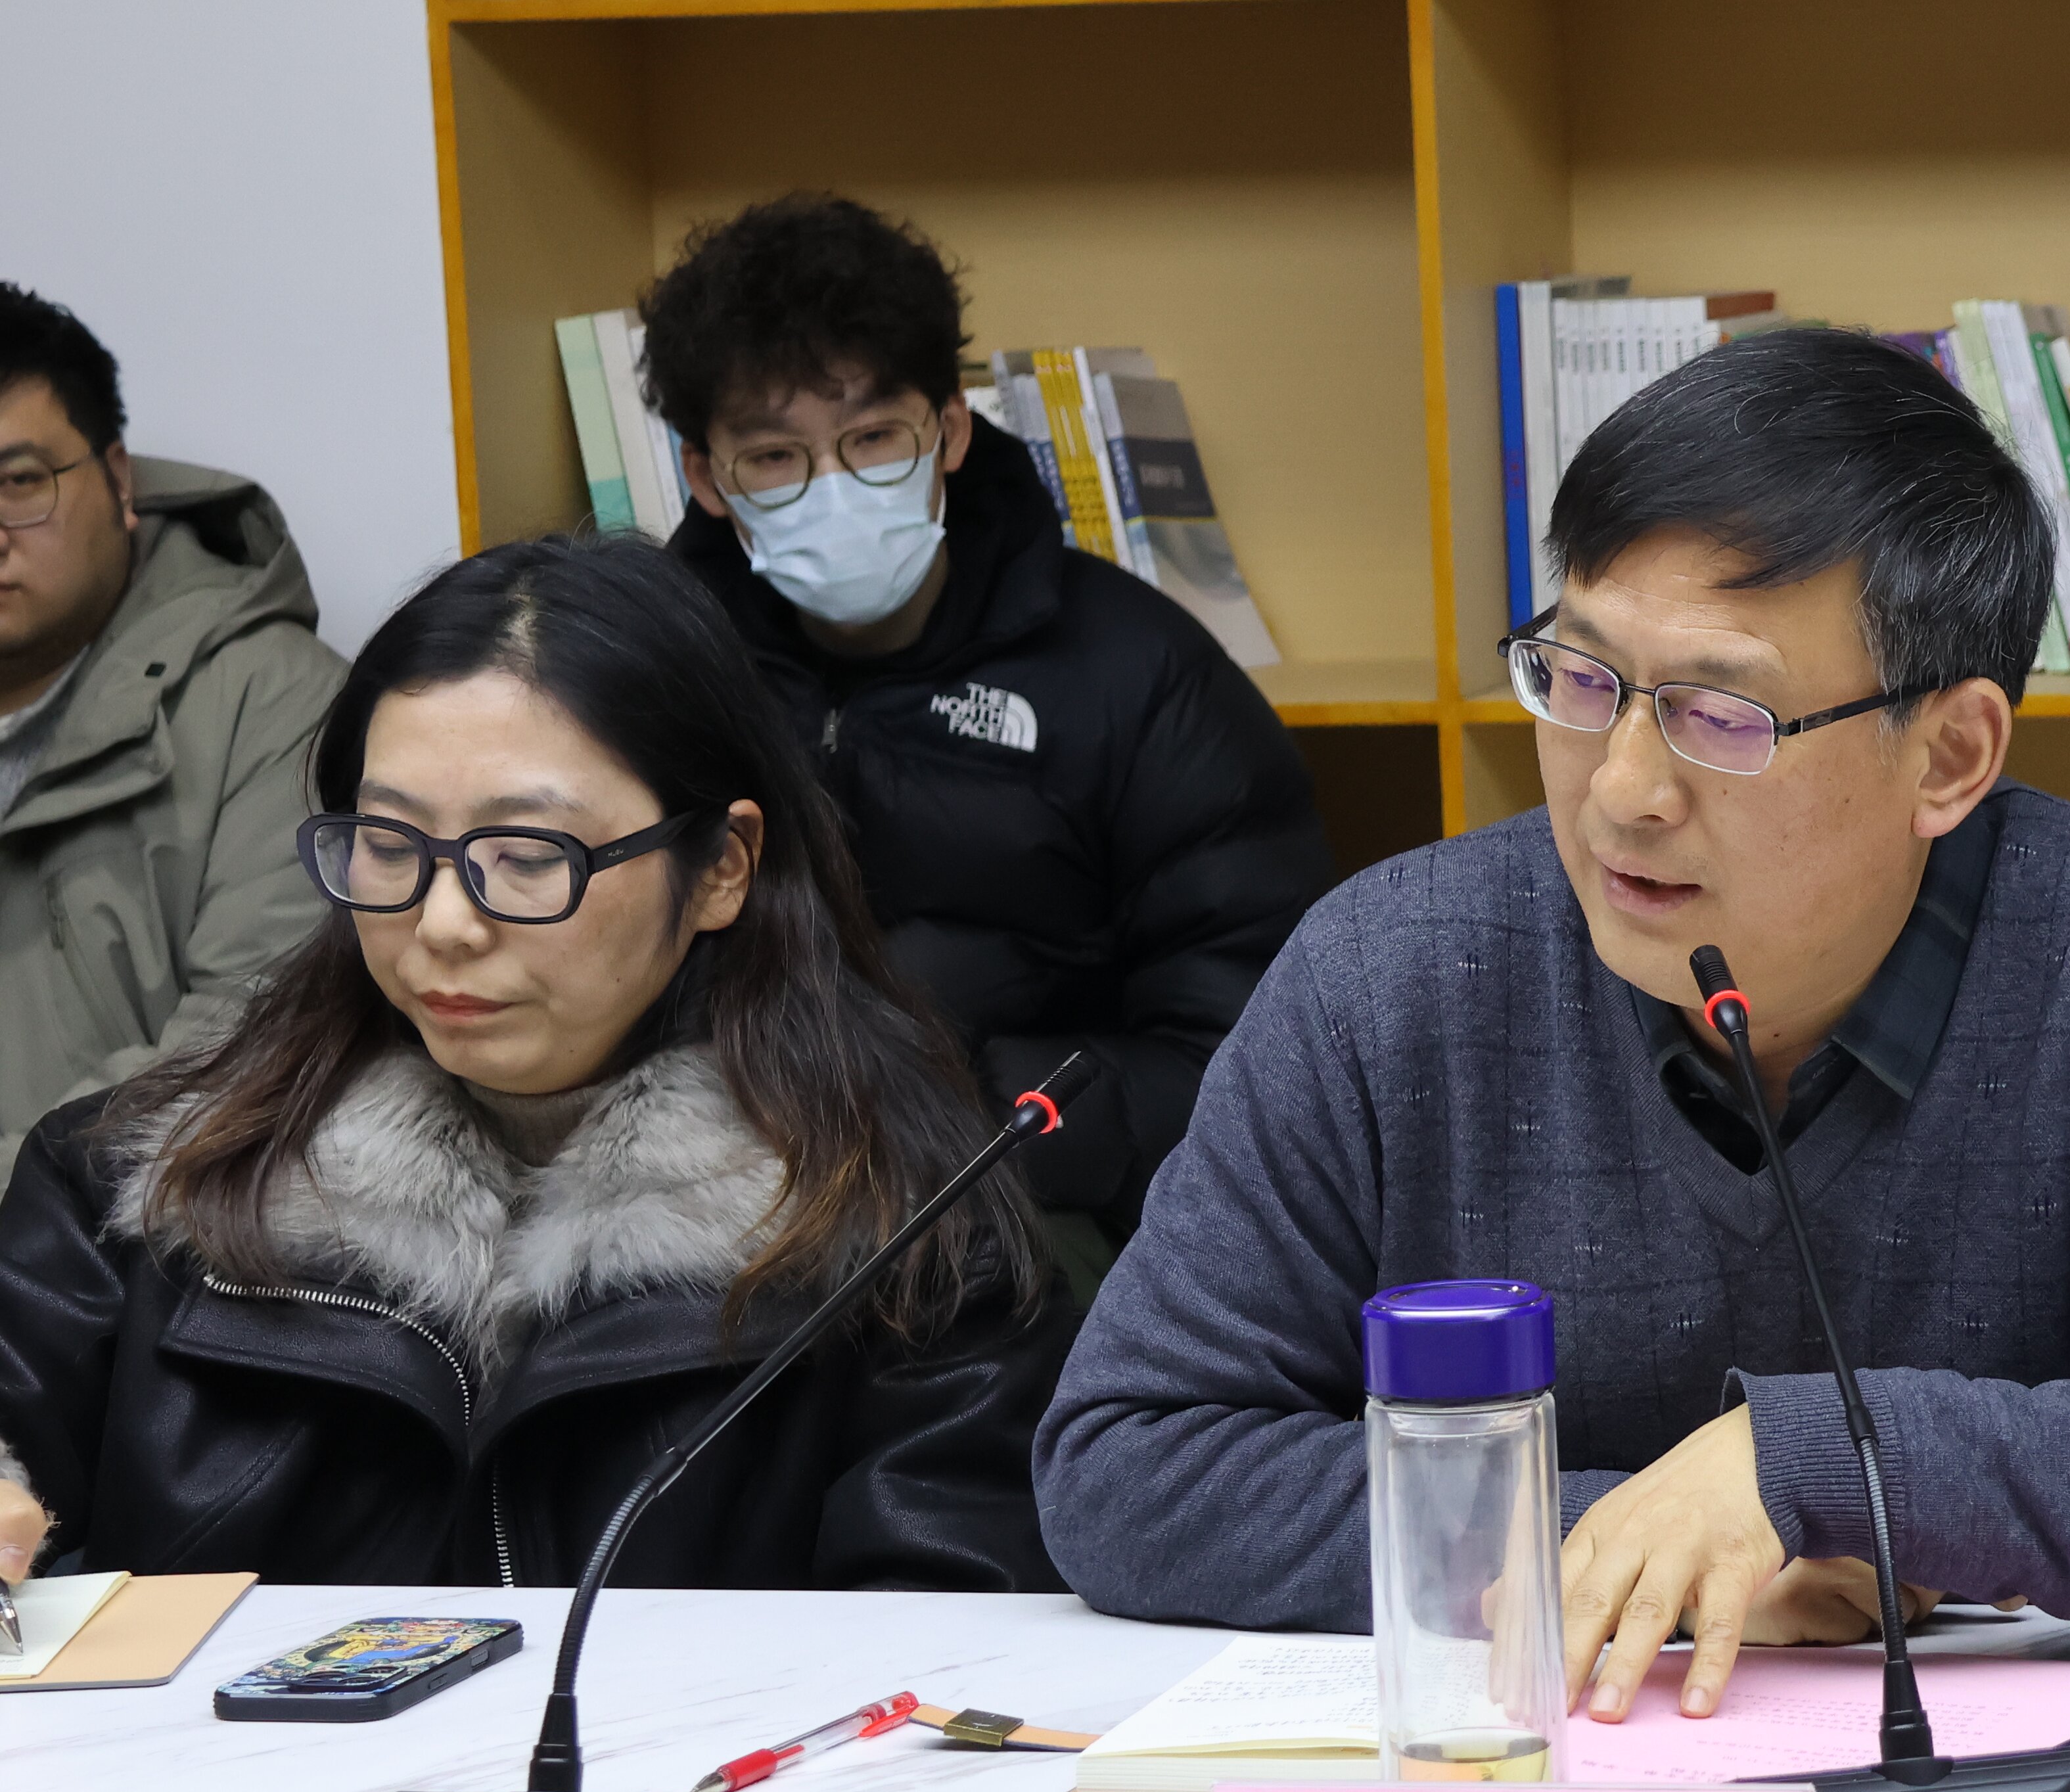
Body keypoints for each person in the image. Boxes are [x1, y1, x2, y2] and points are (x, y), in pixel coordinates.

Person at [1038, 323, 2070, 1711]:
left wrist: (1818, 1464)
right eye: (1580, 679)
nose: (1621, 788)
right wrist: (1647, 1551)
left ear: (1949, 756)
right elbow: (1128, 1458)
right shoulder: (1389, 974)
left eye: (1720, 714)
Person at [0, 536, 1070, 1592]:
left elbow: (945, 1655)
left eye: (525, 856)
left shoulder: (914, 1235)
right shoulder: (128, 1185)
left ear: (721, 867)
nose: (444, 923)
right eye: (391, 846)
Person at [634, 193, 1333, 1279]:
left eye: (875, 438)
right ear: (705, 478)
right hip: (700, 1210)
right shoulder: (648, 682)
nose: (834, 489)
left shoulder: (1140, 673)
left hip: (1034, 1207)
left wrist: (1013, 1121)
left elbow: (1258, 1045)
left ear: (950, 431)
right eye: (773, 456)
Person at [0, 281, 343, 1149]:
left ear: (118, 479)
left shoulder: (275, 704)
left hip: (129, 1228)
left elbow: (241, 1053)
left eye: (19, 482)